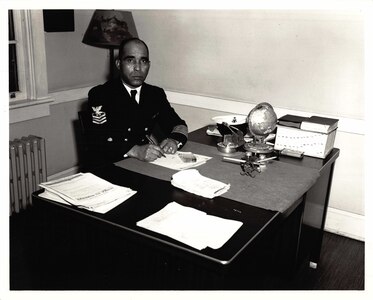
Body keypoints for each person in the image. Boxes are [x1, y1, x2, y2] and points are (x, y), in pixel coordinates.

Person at [85, 38, 188, 165]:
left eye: (143, 61)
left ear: (148, 65)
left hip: (142, 164)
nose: (138, 68)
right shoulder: (101, 94)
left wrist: (173, 140)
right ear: (118, 64)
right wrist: (135, 150)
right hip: (109, 163)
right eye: (130, 60)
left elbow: (178, 124)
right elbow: (99, 137)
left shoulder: (155, 94)